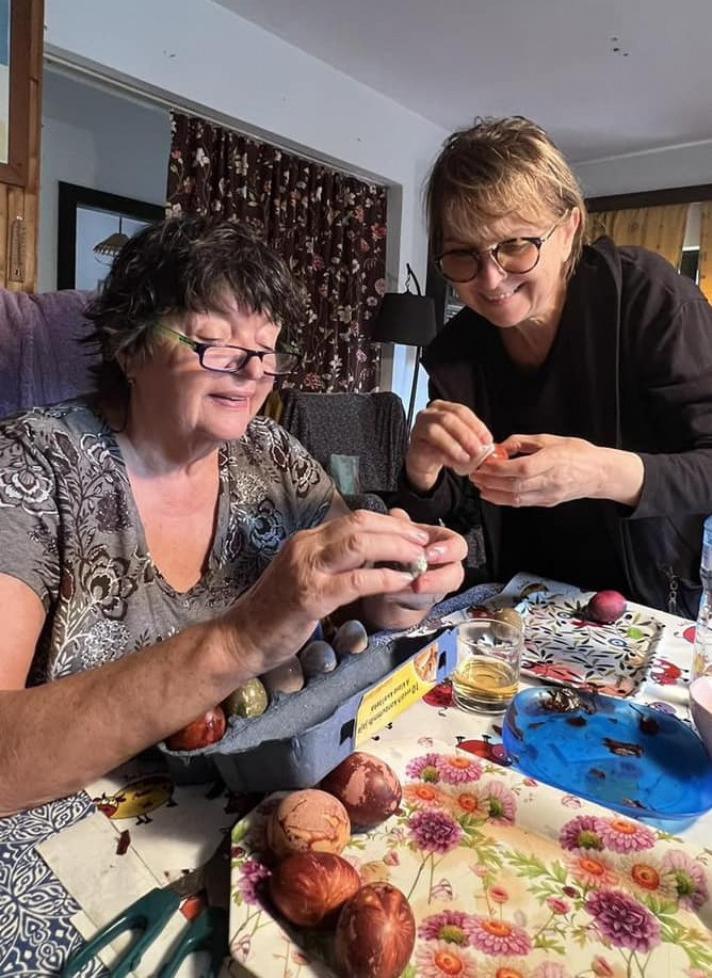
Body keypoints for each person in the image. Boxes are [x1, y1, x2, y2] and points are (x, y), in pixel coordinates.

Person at [0, 217, 466, 816]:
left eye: (267, 350)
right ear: (130, 346)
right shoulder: (30, 468)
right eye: (216, 343)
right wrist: (239, 639)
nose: (252, 371)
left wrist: (405, 584)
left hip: (254, 805)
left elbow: (358, 599)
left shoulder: (271, 453)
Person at [395, 116, 712, 619]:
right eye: (462, 255)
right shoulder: (457, 352)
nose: (491, 279)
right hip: (520, 600)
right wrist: (421, 472)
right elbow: (447, 512)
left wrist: (599, 471)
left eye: (515, 245)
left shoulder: (650, 301)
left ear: (568, 230)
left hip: (649, 600)